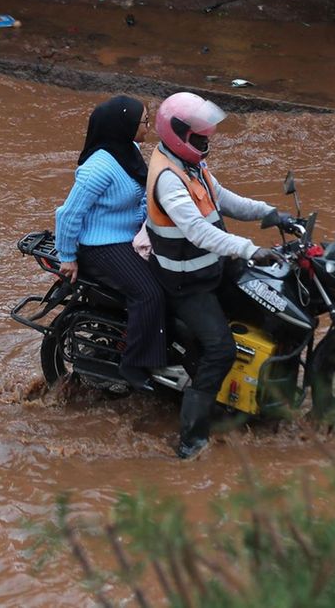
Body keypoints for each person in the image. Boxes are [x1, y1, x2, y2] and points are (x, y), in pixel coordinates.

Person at [145, 91, 290, 460]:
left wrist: (270, 213)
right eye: (199, 136)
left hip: (211, 266)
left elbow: (222, 197)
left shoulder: (190, 164)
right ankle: (191, 439)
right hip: (186, 281)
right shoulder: (168, 178)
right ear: (179, 134)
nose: (205, 141)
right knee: (220, 350)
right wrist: (249, 248)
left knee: (269, 300)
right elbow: (198, 231)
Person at [54, 96, 166, 392]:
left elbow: (141, 195)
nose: (148, 128)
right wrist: (67, 256)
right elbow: (68, 214)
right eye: (144, 122)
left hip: (128, 236)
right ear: (124, 126)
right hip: (100, 247)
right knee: (149, 293)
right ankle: (135, 363)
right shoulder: (99, 168)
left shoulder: (129, 151)